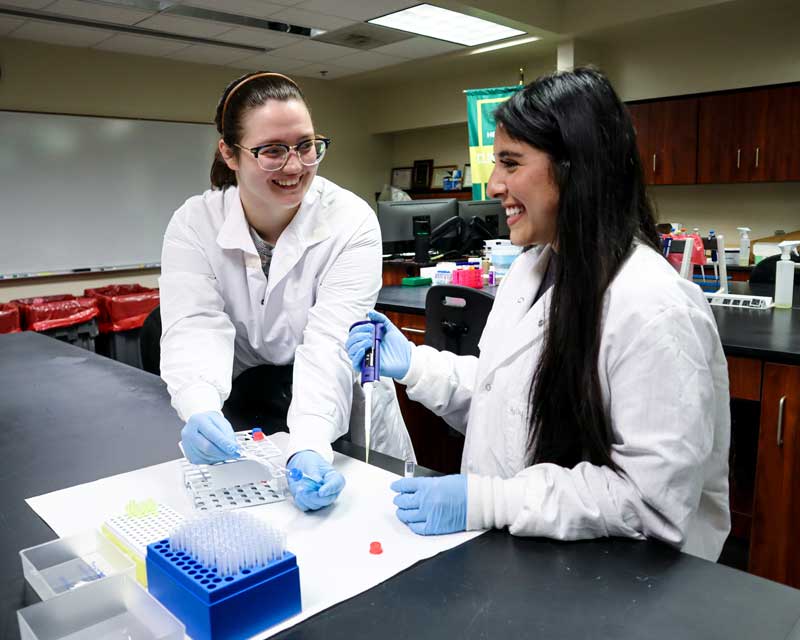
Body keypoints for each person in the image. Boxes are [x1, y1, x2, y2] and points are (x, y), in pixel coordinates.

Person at [347, 67, 731, 561]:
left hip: (614, 578)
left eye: (510, 162)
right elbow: (507, 402)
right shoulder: (532, 270)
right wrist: (416, 365)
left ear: (575, 167)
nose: (493, 184)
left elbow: (651, 502)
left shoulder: (653, 305)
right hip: (528, 557)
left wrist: (489, 501)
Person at [160, 71, 413, 512]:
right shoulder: (194, 223)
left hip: (336, 406)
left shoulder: (350, 221)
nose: (295, 167)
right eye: (272, 151)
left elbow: (330, 342)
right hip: (244, 397)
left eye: (306, 145)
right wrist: (199, 405)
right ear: (230, 153)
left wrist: (310, 443)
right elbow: (196, 324)